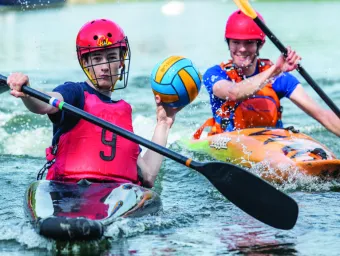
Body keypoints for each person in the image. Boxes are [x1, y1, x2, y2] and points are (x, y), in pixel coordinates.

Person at [7, 19, 179, 188]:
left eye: (111, 57)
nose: (104, 66)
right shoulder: (74, 94)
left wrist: (163, 123)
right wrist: (27, 93)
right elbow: (45, 104)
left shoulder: (123, 113)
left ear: (121, 62)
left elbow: (148, 176)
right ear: (86, 63)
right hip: (67, 194)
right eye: (97, 59)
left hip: (115, 198)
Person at [194, 10, 340, 138]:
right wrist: (275, 70)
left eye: (249, 42)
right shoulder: (216, 74)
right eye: (235, 42)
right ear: (228, 43)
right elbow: (233, 93)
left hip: (271, 144)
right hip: (228, 142)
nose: (242, 49)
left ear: (260, 44)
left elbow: (322, 115)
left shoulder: (280, 79)